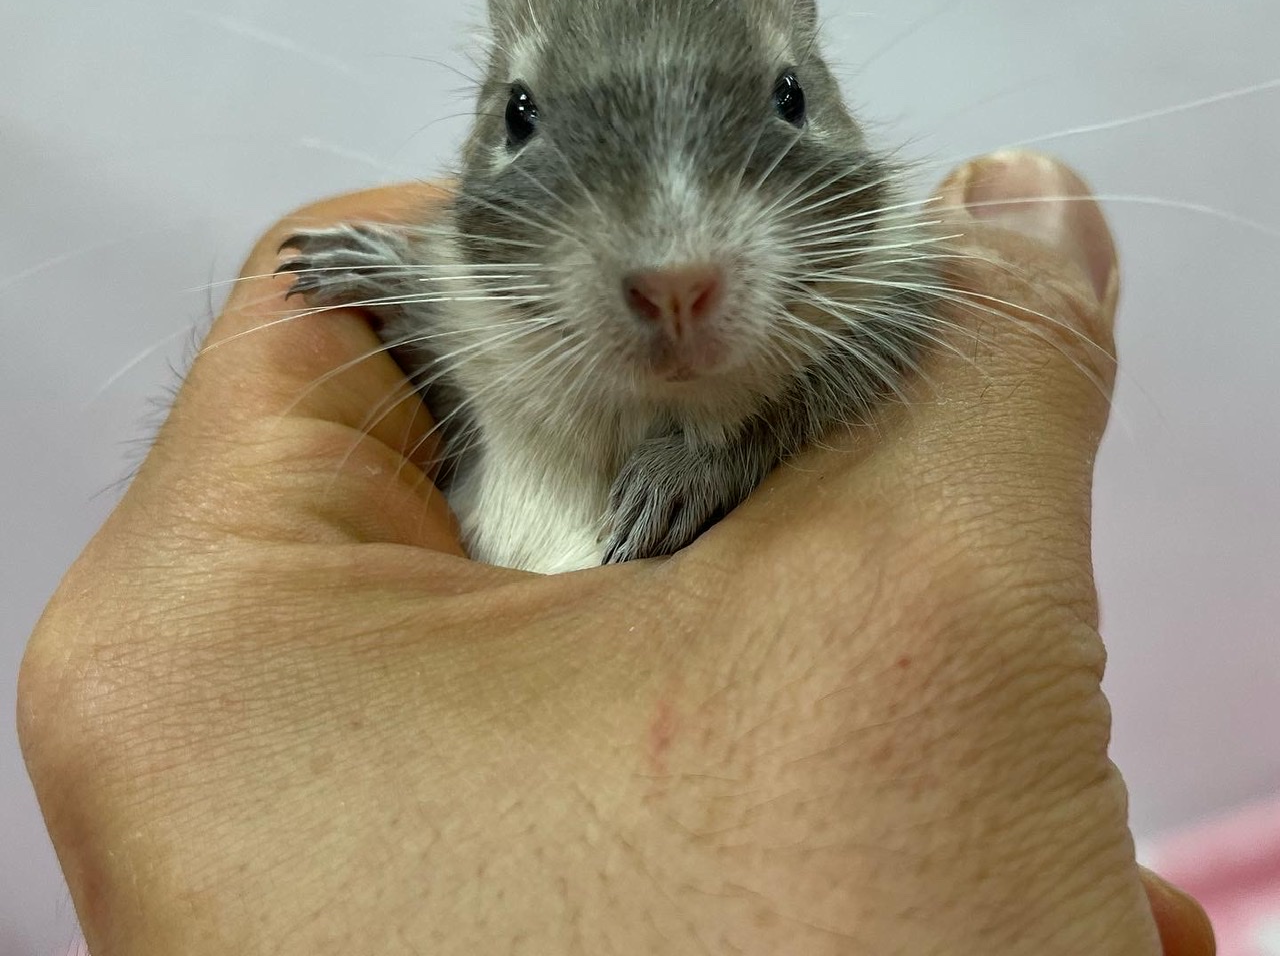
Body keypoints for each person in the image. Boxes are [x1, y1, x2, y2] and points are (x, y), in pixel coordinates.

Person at [18, 150, 1215, 955]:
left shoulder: (876, 287)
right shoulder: (491, 290)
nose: (675, 271)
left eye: (778, 105)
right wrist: (418, 293)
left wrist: (730, 450)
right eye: (530, 123)